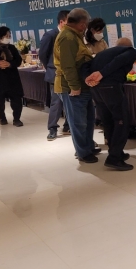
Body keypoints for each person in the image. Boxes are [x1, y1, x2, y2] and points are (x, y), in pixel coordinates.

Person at [83, 37, 136, 171]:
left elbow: (85, 65)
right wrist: (102, 74)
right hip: (111, 87)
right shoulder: (130, 51)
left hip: (96, 89)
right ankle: (114, 158)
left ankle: (116, 151)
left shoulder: (102, 53)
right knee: (122, 120)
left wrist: (88, 78)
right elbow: (118, 61)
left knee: (108, 120)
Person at [54, 8, 98, 163]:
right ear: (82, 24)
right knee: (78, 122)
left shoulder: (74, 36)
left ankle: (88, 146)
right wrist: (74, 86)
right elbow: (68, 65)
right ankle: (83, 152)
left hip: (82, 85)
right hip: (72, 87)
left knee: (89, 119)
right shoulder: (68, 37)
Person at [38, 10, 70, 141]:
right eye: (69, 21)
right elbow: (42, 55)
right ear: (62, 22)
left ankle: (68, 126)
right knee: (56, 103)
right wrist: (50, 67)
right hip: (55, 73)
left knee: (70, 102)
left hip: (70, 74)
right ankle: (52, 128)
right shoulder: (50, 35)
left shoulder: (71, 35)